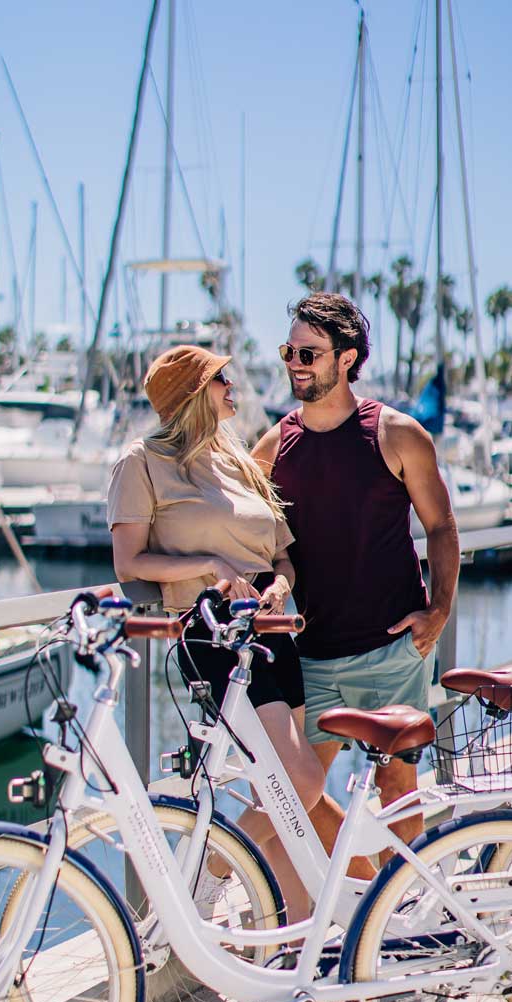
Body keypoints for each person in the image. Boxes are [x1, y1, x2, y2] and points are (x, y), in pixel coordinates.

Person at [106, 344, 373, 920]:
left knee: (275, 794)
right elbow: (130, 563)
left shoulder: (239, 461)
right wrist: (211, 565)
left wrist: (279, 584)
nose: (234, 386)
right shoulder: (142, 462)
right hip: (213, 634)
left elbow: (283, 557)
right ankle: (207, 871)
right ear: (193, 394)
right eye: (221, 378)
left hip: (272, 630)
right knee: (298, 784)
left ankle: (297, 943)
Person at [252, 292, 460, 846]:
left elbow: (441, 526)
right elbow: (252, 536)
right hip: (314, 655)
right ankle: (368, 893)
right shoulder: (273, 446)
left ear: (346, 358)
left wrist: (439, 609)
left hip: (392, 650)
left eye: (309, 354)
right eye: (289, 352)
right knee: (298, 793)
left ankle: (403, 914)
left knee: (398, 788)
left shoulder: (397, 434)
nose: (295, 365)